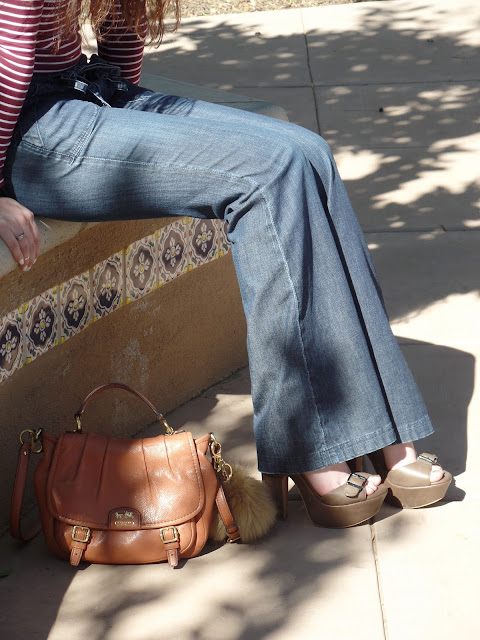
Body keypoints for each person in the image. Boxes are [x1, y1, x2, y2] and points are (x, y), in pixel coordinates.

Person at [0, 0, 451, 527]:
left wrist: (133, 122)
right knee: (268, 172)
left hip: (88, 92)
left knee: (307, 152)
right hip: (27, 130)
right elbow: (10, 55)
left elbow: (120, 19)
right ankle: (311, 443)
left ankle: (383, 429)